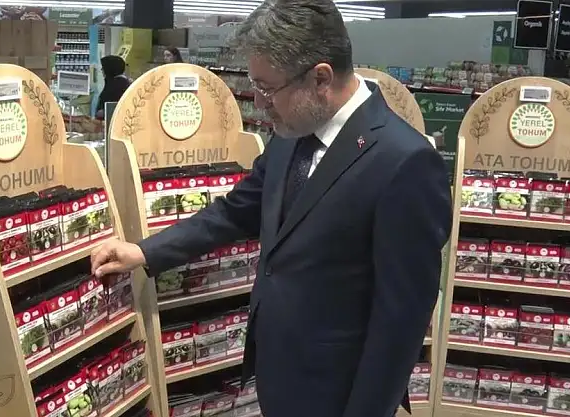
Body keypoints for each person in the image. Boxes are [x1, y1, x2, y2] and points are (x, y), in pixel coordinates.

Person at [91, 1, 452, 416]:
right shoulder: (292, 131)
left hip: (338, 391)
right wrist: (145, 250)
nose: (260, 103)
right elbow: (236, 210)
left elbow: (400, 323)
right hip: (277, 375)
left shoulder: (405, 162)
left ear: (320, 78)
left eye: (267, 88)